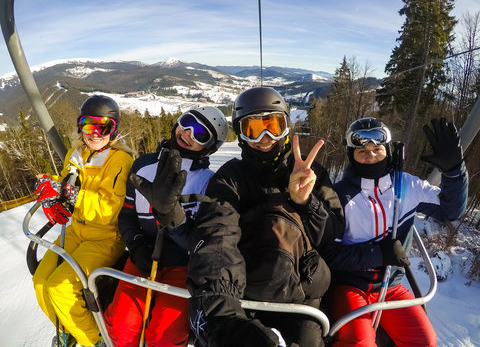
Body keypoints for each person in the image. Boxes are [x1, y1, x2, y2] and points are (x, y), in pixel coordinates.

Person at [186, 86, 345, 347]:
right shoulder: (230, 179)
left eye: (273, 125)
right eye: (253, 129)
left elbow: (331, 234)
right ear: (240, 133)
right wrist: (222, 313)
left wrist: (305, 202)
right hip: (246, 292)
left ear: (285, 127)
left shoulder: (308, 171)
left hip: (302, 297)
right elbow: (217, 237)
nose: (264, 137)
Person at [324, 117, 468, 347]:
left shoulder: (407, 186)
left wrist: (453, 172)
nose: (370, 155)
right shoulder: (339, 197)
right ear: (351, 155)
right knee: (359, 342)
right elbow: (330, 255)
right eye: (362, 151)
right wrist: (378, 254)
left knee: (424, 340)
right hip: (351, 285)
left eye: (377, 149)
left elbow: (451, 211)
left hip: (390, 286)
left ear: (388, 151)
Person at [103, 106, 229, 347]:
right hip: (143, 257)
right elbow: (127, 215)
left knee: (164, 337)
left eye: (201, 134)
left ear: (209, 149)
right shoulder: (143, 165)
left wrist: (172, 217)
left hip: (183, 264)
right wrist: (136, 244)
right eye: (187, 122)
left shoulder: (208, 184)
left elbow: (202, 239)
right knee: (121, 327)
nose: (188, 133)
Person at [32, 95, 135, 347]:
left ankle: (95, 340)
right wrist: (49, 189)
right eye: (90, 125)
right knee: (40, 281)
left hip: (104, 238)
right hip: (76, 232)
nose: (96, 134)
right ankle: (68, 329)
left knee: (60, 288)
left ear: (115, 129)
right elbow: (68, 184)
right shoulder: (75, 154)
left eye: (105, 127)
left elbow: (109, 208)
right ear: (80, 126)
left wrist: (71, 195)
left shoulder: (120, 161)